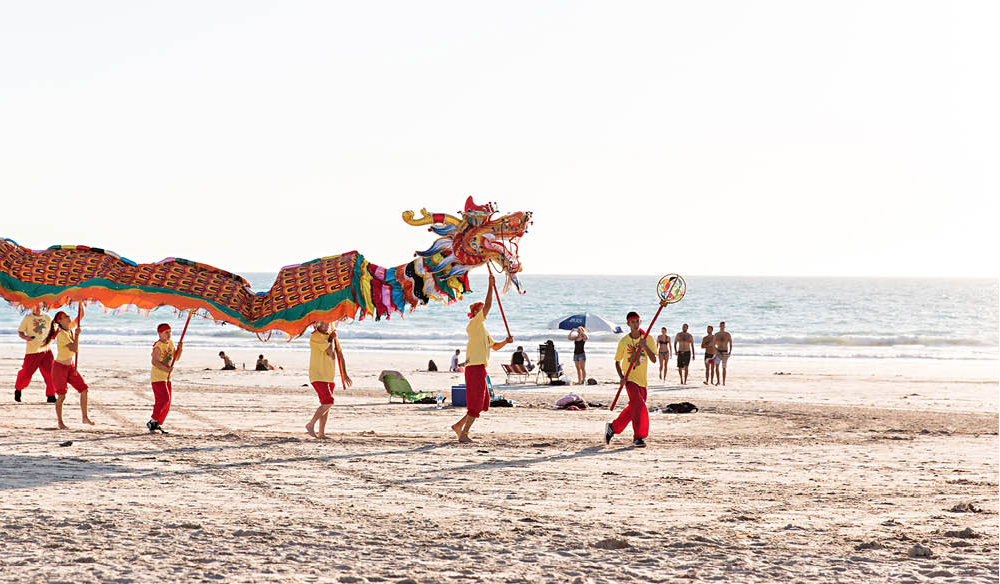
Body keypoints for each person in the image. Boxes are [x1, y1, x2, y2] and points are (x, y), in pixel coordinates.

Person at [451, 273, 513, 443]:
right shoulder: (474, 324)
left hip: (480, 368)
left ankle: (458, 426)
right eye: (481, 309)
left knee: (483, 402)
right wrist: (490, 285)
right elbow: (489, 305)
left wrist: (506, 342)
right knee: (476, 403)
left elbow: (495, 346)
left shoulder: (483, 330)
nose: (484, 310)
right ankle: (464, 434)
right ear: (476, 312)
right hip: (474, 367)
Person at [604, 310, 657, 448]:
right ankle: (638, 438)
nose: (635, 324)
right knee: (639, 407)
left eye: (637, 321)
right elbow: (617, 362)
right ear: (628, 323)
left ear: (640, 322)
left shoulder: (648, 339)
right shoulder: (624, 341)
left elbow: (654, 359)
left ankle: (613, 427)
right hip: (629, 379)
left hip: (642, 381)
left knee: (633, 408)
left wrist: (644, 346)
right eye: (632, 322)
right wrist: (621, 378)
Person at [48, 308, 94, 429]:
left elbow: (81, 315)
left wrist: (80, 299)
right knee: (62, 396)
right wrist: (77, 335)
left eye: (68, 316)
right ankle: (60, 422)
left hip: (70, 367)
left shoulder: (69, 328)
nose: (69, 318)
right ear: (60, 321)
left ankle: (85, 417)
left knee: (84, 389)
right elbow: (74, 348)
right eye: (66, 316)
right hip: (59, 368)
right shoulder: (61, 333)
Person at [306, 322, 352, 439]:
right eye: (323, 322)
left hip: (329, 376)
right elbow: (329, 351)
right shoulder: (315, 336)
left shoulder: (331, 335)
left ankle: (321, 433)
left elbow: (339, 354)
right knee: (328, 401)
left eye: (327, 322)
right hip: (318, 375)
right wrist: (331, 339)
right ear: (317, 324)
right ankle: (310, 425)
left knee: (325, 405)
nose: (326, 324)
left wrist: (345, 373)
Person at [14, 306, 56, 402]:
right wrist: (26, 337)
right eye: (35, 305)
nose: (37, 307)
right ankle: (18, 389)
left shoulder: (47, 317)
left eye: (39, 304)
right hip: (32, 351)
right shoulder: (28, 318)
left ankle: (51, 395)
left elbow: (52, 331)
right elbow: (20, 332)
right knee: (26, 373)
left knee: (51, 374)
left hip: (46, 350)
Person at [148, 323, 183, 433]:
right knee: (164, 399)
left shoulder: (171, 343)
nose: (169, 334)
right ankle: (153, 420)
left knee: (167, 403)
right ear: (159, 333)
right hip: (158, 376)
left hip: (167, 377)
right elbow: (154, 361)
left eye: (170, 332)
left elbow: (175, 358)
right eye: (166, 332)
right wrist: (166, 369)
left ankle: (157, 423)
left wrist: (180, 349)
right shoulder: (158, 345)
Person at [714, 321, 733, 386]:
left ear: (724, 326)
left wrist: (730, 352)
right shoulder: (716, 334)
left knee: (724, 367)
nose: (722, 327)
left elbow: (730, 343)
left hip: (725, 352)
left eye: (723, 325)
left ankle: (724, 382)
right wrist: (717, 352)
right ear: (719, 326)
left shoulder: (727, 334)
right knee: (716, 367)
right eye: (721, 325)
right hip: (718, 351)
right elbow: (713, 345)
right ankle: (718, 381)